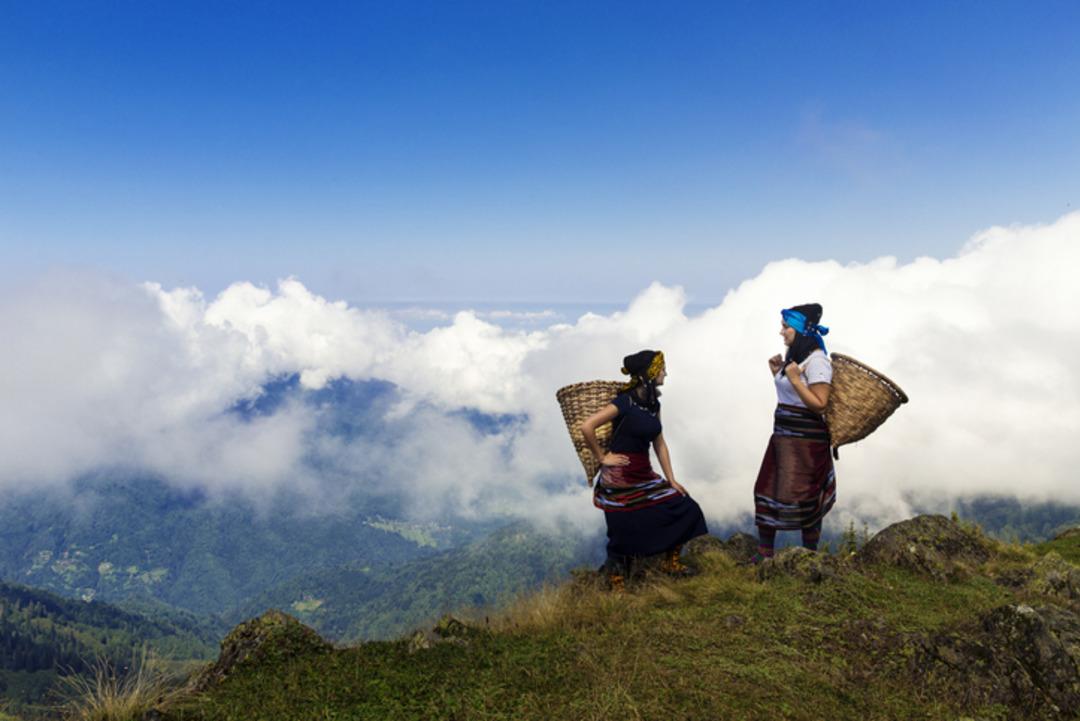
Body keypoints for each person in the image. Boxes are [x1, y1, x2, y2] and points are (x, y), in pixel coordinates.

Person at [580, 350, 708, 589]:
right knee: (623, 527)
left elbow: (659, 443)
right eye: (661, 369)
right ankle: (616, 578)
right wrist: (602, 457)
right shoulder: (624, 402)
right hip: (619, 476)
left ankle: (670, 562)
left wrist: (671, 480)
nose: (665, 373)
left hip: (643, 472)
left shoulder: (653, 404)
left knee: (683, 505)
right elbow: (588, 426)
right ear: (649, 373)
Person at [752, 303, 836, 563]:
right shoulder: (796, 362)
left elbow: (820, 402)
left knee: (803, 496)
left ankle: (809, 559)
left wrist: (796, 380)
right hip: (783, 439)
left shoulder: (817, 362)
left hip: (805, 443)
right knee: (768, 489)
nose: (781, 332)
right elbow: (794, 396)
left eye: (786, 326)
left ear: (800, 330)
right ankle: (765, 556)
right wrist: (779, 373)